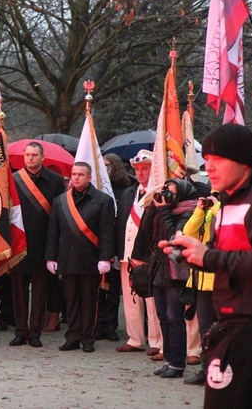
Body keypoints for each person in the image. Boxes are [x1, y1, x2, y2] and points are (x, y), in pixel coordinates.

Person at [161, 124, 252, 406]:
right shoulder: (228, 201)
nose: (209, 167)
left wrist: (208, 256)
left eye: (219, 160)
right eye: (207, 160)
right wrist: (192, 255)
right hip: (230, 326)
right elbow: (232, 255)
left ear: (244, 163)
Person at [45, 161, 115, 353]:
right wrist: (51, 257)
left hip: (91, 260)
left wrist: (105, 257)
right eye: (74, 174)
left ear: (89, 177)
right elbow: (53, 231)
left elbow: (108, 232)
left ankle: (87, 338)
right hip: (67, 258)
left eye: (80, 175)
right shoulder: (60, 200)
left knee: (89, 301)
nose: (76, 177)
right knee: (71, 301)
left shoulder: (103, 200)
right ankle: (72, 337)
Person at [137, 179, 197, 379]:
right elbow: (146, 230)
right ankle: (168, 360)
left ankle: (178, 364)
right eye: (165, 191)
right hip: (159, 268)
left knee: (174, 317)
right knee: (162, 316)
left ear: (182, 193)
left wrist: (163, 211)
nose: (167, 196)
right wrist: (154, 208)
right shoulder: (163, 210)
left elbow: (174, 235)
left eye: (171, 192)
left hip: (175, 268)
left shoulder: (189, 210)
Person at [8, 142, 65, 348]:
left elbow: (60, 214)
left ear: (42, 157)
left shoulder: (56, 181)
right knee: (19, 291)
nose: (30, 158)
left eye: (35, 155)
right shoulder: (13, 180)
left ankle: (35, 332)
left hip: (44, 243)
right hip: (19, 243)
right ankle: (20, 331)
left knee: (40, 291)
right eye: (28, 155)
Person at [114, 150, 163, 355]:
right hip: (128, 254)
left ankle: (157, 341)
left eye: (145, 169)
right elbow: (121, 224)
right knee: (130, 299)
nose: (141, 173)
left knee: (152, 300)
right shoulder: (129, 193)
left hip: (148, 254)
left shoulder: (159, 195)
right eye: (138, 170)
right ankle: (135, 338)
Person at [94, 153, 134, 342]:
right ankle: (98, 324)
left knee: (114, 288)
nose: (105, 168)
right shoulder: (97, 189)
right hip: (98, 244)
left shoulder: (126, 188)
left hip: (119, 244)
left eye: (108, 165)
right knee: (100, 288)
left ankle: (111, 325)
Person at [181, 191, 219, 386]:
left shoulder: (225, 212)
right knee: (205, 329)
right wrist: (199, 210)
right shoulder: (207, 214)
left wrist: (217, 208)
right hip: (202, 280)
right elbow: (188, 233)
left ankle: (222, 371)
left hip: (223, 280)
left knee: (224, 329)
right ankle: (206, 370)